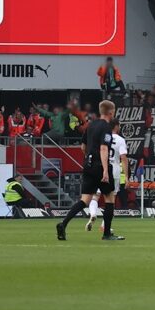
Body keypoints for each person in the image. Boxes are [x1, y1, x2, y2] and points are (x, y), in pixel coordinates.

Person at [55, 100, 121, 241]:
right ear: (111, 112)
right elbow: (104, 148)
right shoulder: (106, 127)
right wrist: (104, 170)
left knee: (84, 200)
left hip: (89, 165)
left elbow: (83, 147)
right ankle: (107, 234)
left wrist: (88, 159)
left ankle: (63, 223)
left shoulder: (90, 125)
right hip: (100, 166)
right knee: (109, 198)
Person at [85, 119, 129, 231]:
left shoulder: (103, 136)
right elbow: (123, 158)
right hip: (114, 170)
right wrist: (127, 177)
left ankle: (93, 214)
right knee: (111, 200)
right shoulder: (120, 140)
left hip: (101, 168)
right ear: (117, 126)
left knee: (95, 196)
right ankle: (105, 226)